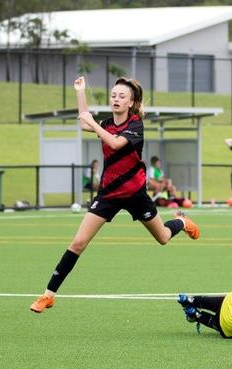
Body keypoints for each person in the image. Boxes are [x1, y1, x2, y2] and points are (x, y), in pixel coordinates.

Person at [30, 76, 200, 313]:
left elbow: (114, 143)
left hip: (135, 193)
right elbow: (83, 123)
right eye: (113, 95)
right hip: (109, 194)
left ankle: (181, 221)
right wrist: (80, 92)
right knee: (78, 243)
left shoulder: (135, 125)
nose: (116, 99)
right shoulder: (107, 122)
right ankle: (48, 295)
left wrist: (94, 123)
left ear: (131, 102)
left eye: (122, 96)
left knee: (162, 237)